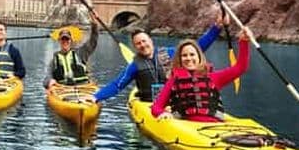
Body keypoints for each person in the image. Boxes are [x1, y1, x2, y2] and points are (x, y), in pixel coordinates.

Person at [94, 12, 229, 103]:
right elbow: (117, 85)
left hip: (174, 102)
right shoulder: (134, 66)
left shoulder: (170, 53)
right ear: (135, 47)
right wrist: (96, 97)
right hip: (150, 104)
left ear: (150, 40)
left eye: (144, 41)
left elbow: (198, 47)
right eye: (138, 43)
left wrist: (216, 28)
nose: (142, 45)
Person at [152, 27, 251, 122]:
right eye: (184, 55)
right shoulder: (173, 81)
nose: (188, 58)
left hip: (212, 127)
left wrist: (244, 41)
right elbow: (156, 107)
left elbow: (240, 68)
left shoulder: (213, 77)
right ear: (180, 59)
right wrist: (162, 113)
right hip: (185, 126)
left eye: (192, 54)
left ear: (199, 57)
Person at [43, 22, 99, 89]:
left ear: (71, 40)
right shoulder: (53, 61)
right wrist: (49, 81)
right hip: (63, 90)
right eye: (62, 39)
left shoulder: (81, 53)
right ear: (59, 41)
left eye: (67, 39)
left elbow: (93, 42)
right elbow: (46, 78)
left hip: (82, 87)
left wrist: (94, 26)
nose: (65, 41)